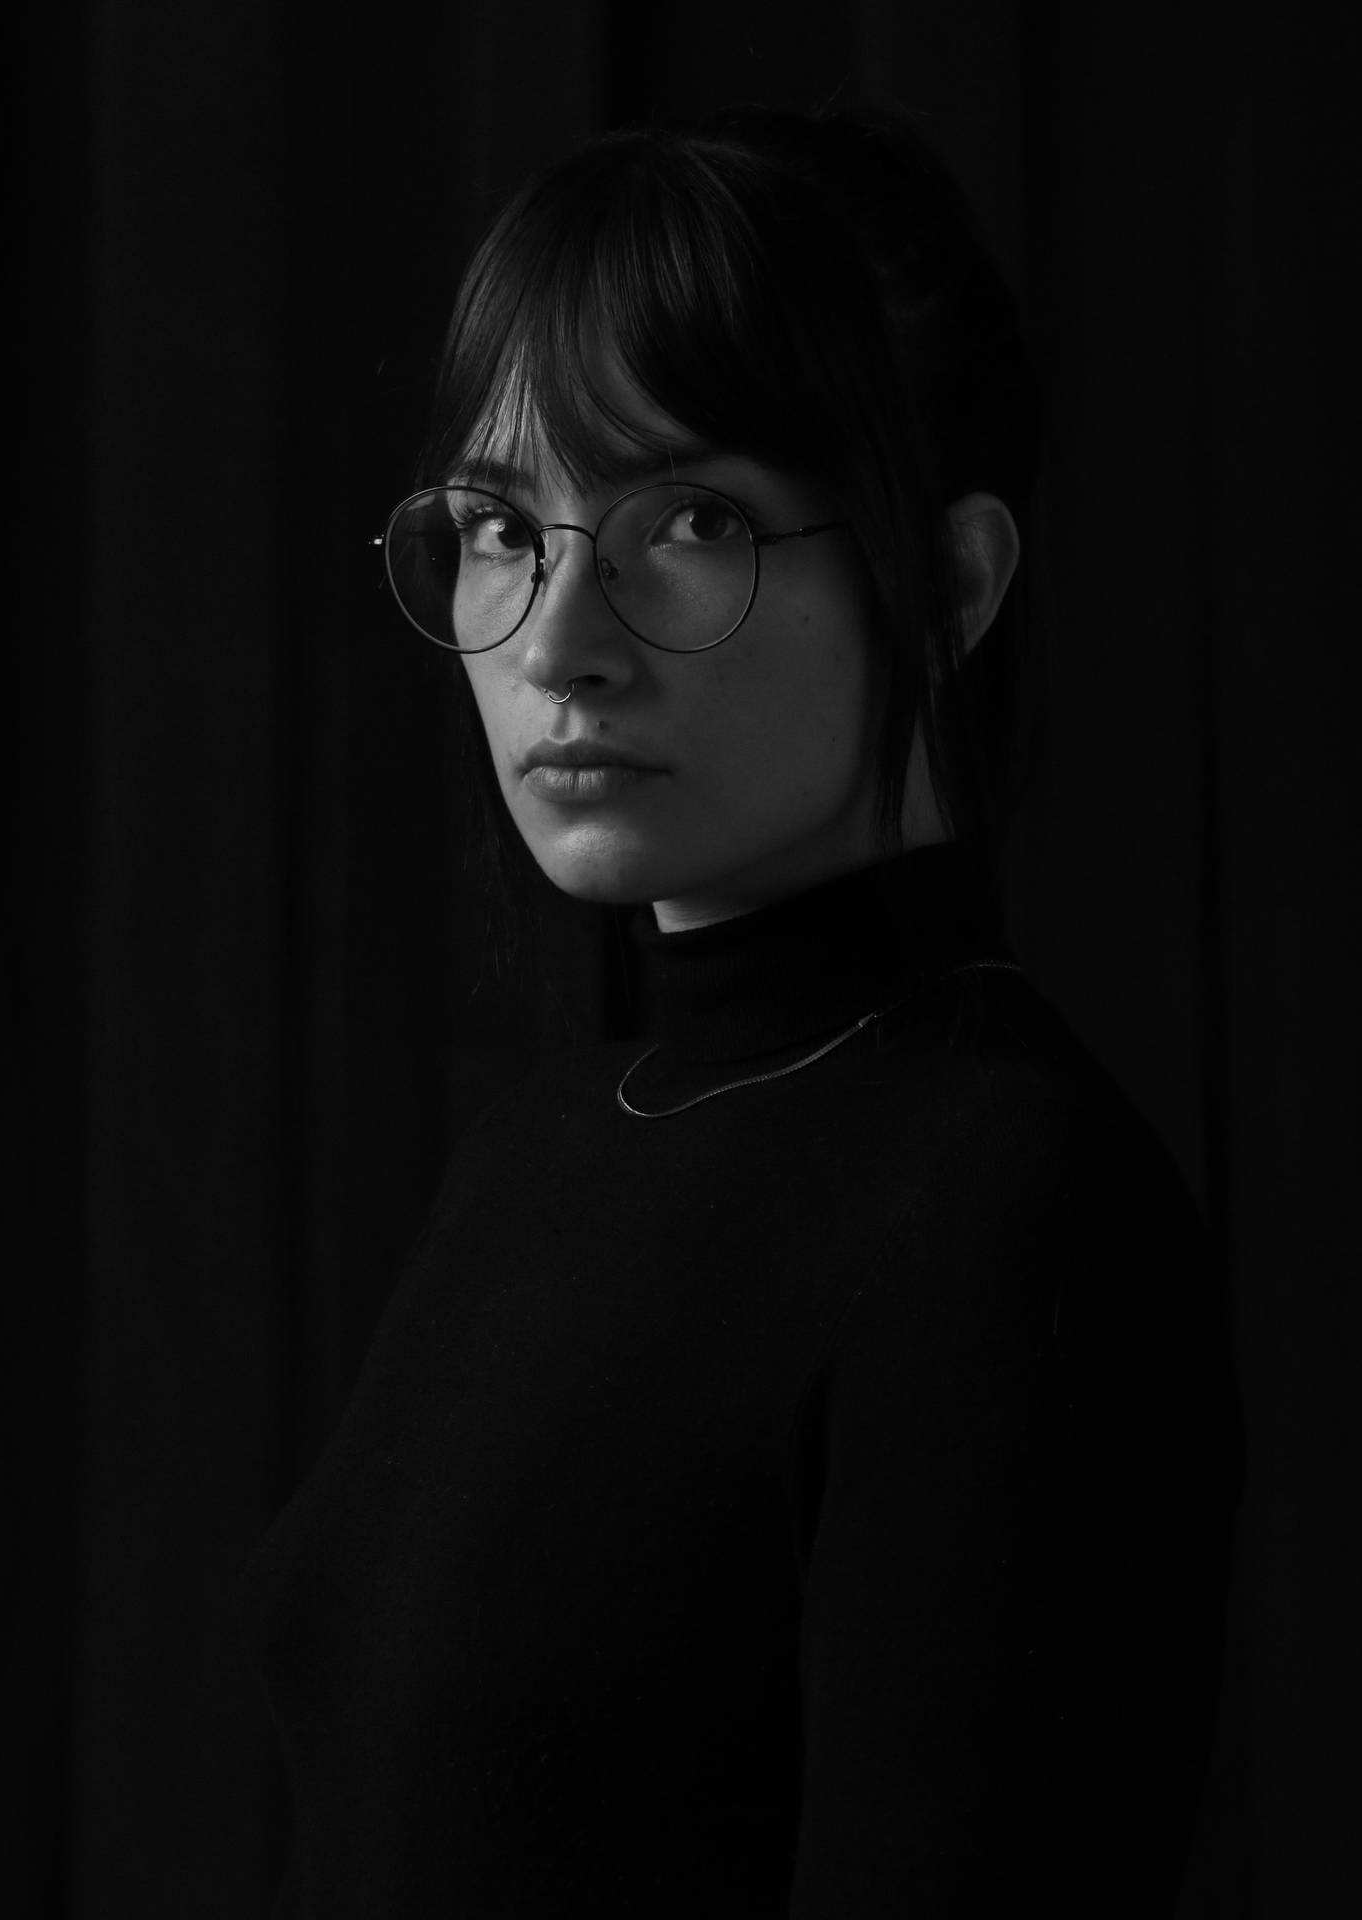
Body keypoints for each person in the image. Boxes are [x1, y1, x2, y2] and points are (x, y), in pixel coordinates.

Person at [239, 104, 1244, 1917]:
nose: (557, 642)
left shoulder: (1005, 1214)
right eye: (497, 527)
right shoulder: (542, 1148)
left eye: (685, 519)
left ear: (950, 578)